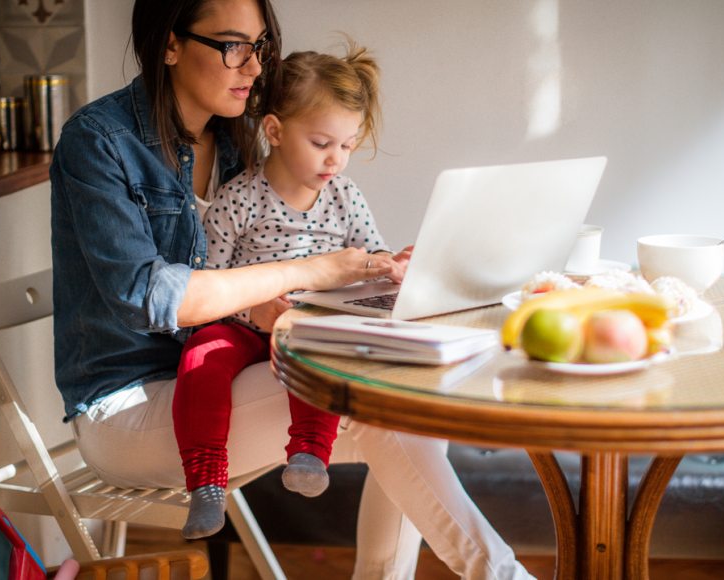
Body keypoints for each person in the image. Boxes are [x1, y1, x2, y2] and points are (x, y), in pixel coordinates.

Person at [49, 0, 533, 577]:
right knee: (377, 403)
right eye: (232, 46)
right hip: (130, 405)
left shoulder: (236, 141)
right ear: (170, 45)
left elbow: (259, 271)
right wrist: (312, 271)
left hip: (224, 372)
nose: (253, 68)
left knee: (405, 412)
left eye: (261, 48)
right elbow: (152, 297)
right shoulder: (100, 141)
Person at [174, 41, 414, 539]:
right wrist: (255, 313)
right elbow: (207, 292)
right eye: (323, 143)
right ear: (276, 131)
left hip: (307, 326)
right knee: (200, 357)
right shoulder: (238, 198)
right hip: (241, 326)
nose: (337, 160)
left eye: (347, 145)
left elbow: (372, 258)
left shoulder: (345, 197)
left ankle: (309, 452)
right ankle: (206, 483)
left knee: (321, 353)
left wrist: (393, 265)